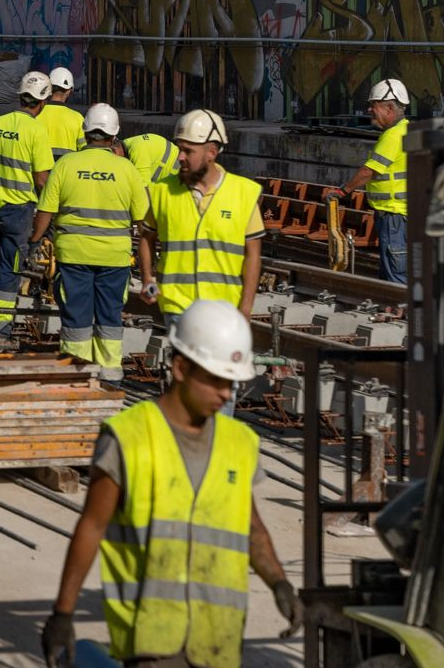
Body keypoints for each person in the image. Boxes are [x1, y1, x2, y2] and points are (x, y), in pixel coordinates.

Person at [41, 300, 302, 668]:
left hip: (217, 640)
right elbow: (92, 525)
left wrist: (280, 584)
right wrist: (63, 614)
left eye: (231, 383)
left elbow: (249, 524)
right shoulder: (129, 436)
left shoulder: (239, 442)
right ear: (180, 368)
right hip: (152, 637)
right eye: (215, 380)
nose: (226, 393)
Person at [28, 103, 147, 382]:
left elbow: (46, 211)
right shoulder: (127, 170)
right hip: (114, 260)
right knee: (109, 315)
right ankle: (110, 373)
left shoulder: (66, 165)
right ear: (114, 135)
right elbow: (144, 221)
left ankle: (76, 373)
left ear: (86, 132)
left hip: (74, 258)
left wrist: (34, 242)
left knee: (76, 316)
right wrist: (148, 257)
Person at [138, 110, 264, 331]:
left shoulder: (243, 193)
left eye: (188, 151)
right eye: (179, 149)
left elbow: (252, 254)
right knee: (183, 364)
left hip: (225, 309)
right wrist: (148, 278)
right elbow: (146, 237)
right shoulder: (162, 191)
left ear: (211, 152)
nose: (180, 157)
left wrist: (246, 308)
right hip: (178, 306)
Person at [0, 71, 55, 341]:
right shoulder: (36, 130)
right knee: (9, 273)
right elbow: (43, 179)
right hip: (18, 212)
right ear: (42, 102)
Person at [326, 78, 408, 284]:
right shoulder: (406, 130)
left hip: (394, 215)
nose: (370, 110)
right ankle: (394, 306)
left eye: (374, 106)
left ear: (390, 107)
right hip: (399, 213)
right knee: (394, 265)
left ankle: (399, 309)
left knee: (395, 267)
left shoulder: (394, 136)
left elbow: (368, 171)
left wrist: (343, 191)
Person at [37, 66, 86, 162]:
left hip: (40, 171)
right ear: (69, 91)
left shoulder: (37, 113)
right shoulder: (77, 118)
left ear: (49, 87)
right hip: (66, 172)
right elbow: (84, 150)